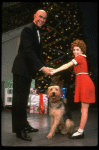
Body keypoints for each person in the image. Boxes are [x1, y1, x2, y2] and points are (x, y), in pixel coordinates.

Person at [12, 10, 53, 141]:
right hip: (21, 70)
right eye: (40, 17)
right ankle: (20, 130)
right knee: (19, 101)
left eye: (44, 18)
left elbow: (37, 54)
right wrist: (42, 68)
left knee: (23, 100)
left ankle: (24, 124)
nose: (42, 20)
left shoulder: (37, 30)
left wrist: (45, 66)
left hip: (27, 71)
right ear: (35, 16)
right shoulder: (28, 29)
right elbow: (29, 52)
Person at [50, 39, 95, 139]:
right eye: (74, 49)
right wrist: (55, 70)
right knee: (83, 110)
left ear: (82, 50)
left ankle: (80, 131)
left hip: (85, 84)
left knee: (84, 110)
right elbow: (67, 68)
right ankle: (80, 130)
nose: (75, 52)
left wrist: (55, 71)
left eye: (77, 49)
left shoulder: (80, 58)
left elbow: (66, 65)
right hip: (82, 83)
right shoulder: (79, 59)